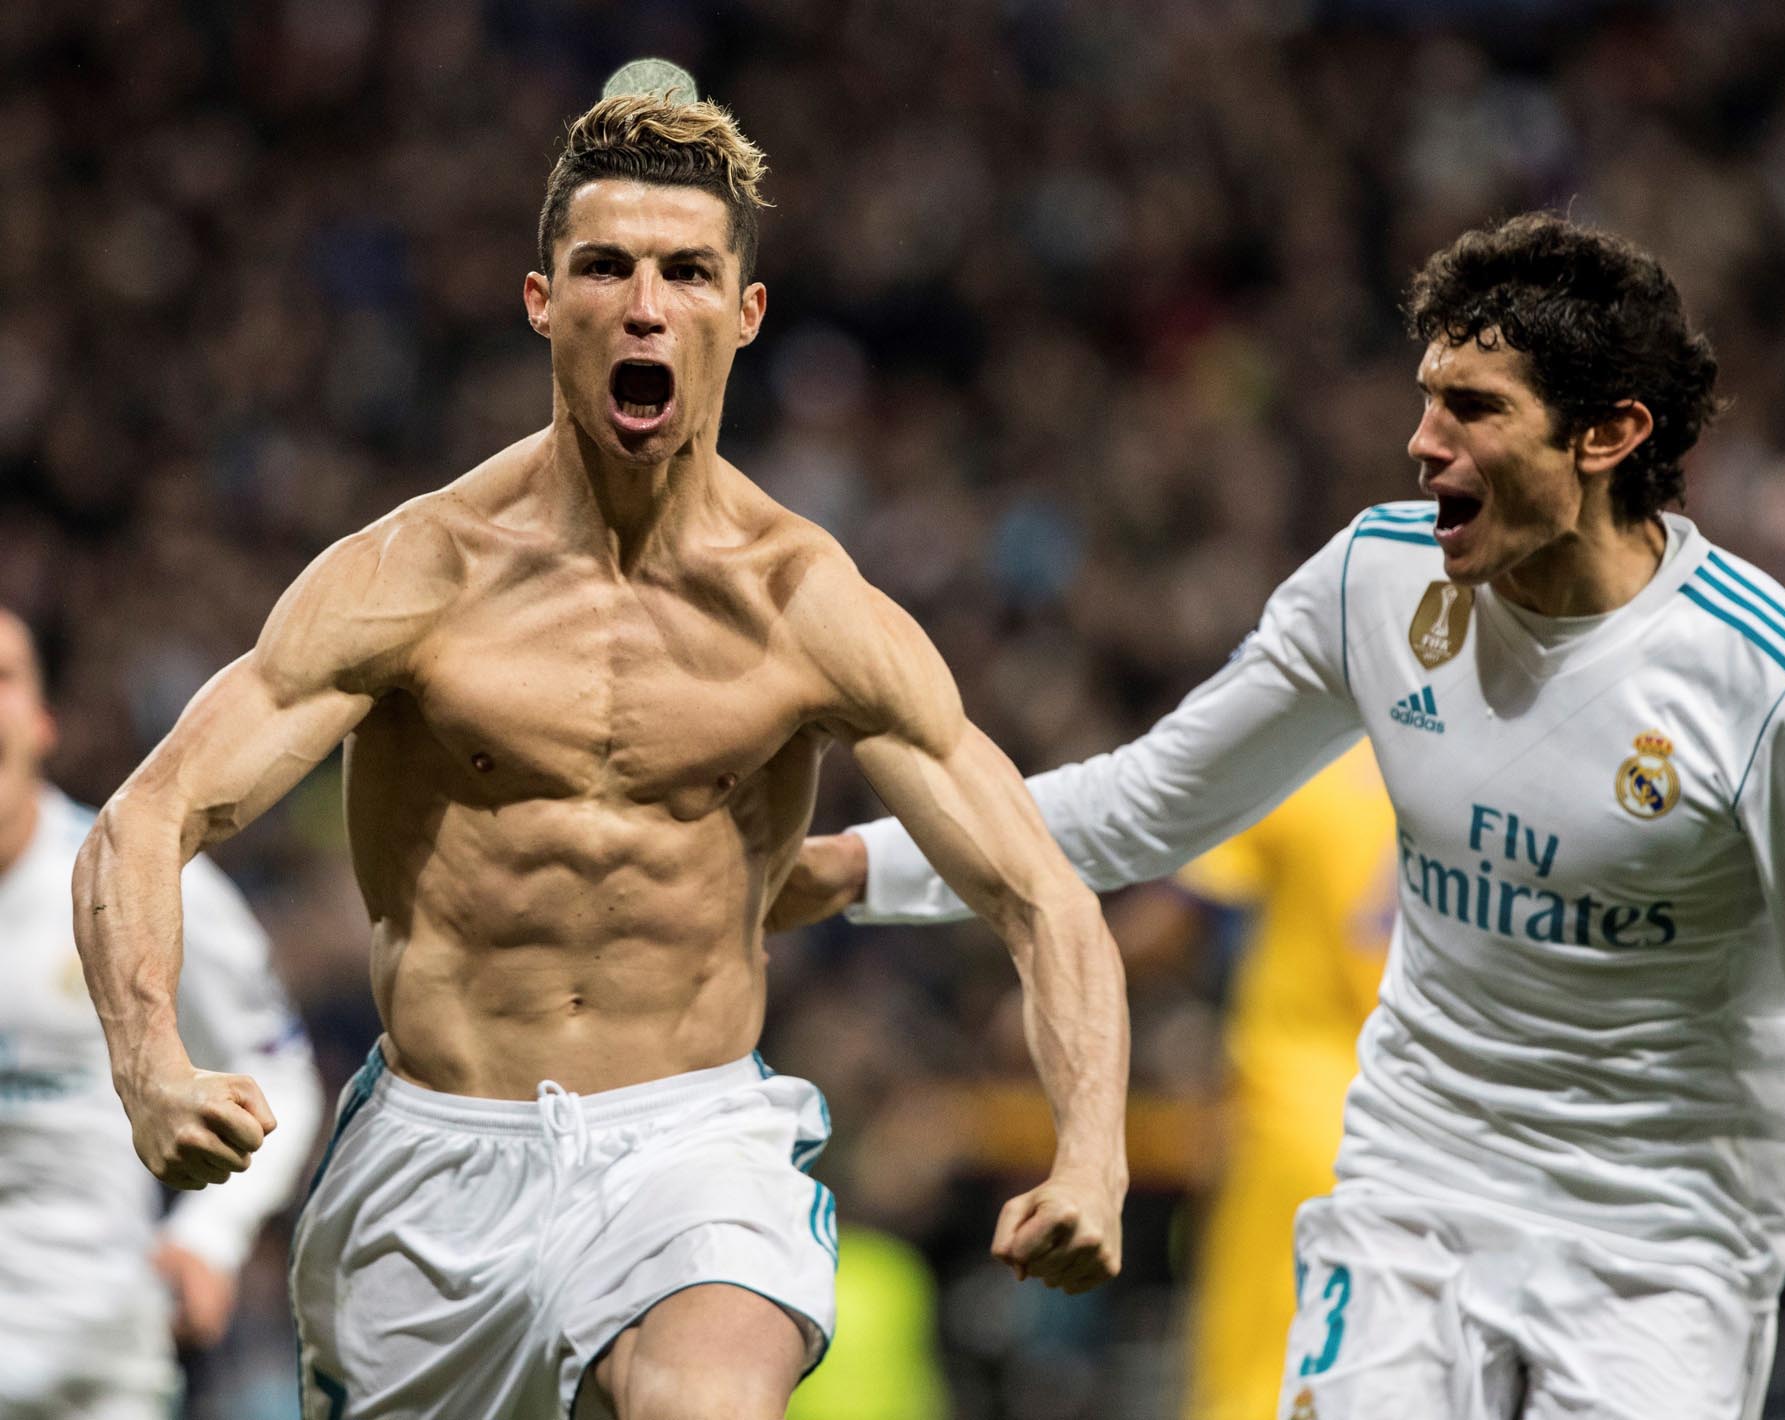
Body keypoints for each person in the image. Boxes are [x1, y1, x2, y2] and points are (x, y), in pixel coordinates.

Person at [772, 213, 1785, 1417]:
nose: (1421, 442)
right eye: (1426, 396)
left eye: (1474, 409)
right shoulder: (1376, 583)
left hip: (1663, 1237)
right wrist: (860, 864)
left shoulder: (1781, 693)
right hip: (1416, 1187)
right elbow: (1146, 803)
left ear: (1609, 434)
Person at [71, 79, 1129, 1420]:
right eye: (605, 268)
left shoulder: (809, 607)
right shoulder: (417, 575)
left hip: (691, 1145)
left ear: (742, 317)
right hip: (436, 1167)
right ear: (541, 300)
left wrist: (1093, 1156)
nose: (645, 305)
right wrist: (151, 1064)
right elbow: (148, 817)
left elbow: (1039, 892)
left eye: (688, 272)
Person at [0, 608, 320, 1420]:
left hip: (95, 1370)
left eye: (1, 679)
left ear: (43, 722)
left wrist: (209, 1235)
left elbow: (279, 1065)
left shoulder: (129, 887)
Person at [1123, 742, 1395, 1420]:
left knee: (1254, 1386)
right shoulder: (1479, 768)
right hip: (1432, 1131)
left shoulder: (1314, 753)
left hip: (1299, 1125)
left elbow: (1177, 917)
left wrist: (1044, 975)